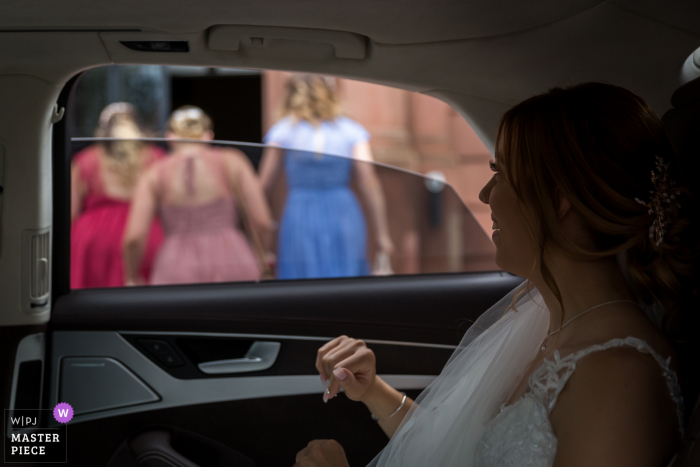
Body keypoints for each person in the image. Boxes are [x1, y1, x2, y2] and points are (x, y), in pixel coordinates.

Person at [295, 83, 698, 467]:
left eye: (500, 172)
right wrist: (373, 392)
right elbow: (468, 451)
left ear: (556, 200)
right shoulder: (543, 316)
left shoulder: (619, 379)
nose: (486, 193)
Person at [259, 74, 393, 279]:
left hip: (299, 212)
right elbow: (369, 182)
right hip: (343, 211)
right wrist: (382, 234)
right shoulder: (352, 131)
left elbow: (263, 186)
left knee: (302, 281)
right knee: (346, 281)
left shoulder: (282, 131)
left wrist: (260, 230)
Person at [123, 106, 272, 286]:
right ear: (208, 135)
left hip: (176, 267)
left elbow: (134, 237)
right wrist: (261, 255)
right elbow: (262, 221)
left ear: (170, 136)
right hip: (232, 259)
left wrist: (132, 276)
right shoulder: (233, 161)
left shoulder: (154, 173)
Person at [71, 102, 165, 288]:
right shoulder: (156, 157)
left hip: (94, 242)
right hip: (145, 235)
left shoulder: (85, 160)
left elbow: (70, 213)